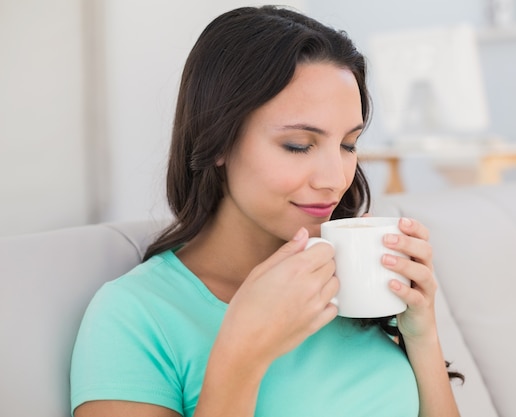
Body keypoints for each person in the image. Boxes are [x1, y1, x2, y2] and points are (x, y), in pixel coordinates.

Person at [70, 5, 462, 417]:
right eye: (298, 145)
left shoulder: (358, 282)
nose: (334, 178)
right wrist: (242, 354)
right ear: (219, 140)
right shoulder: (136, 316)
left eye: (348, 144)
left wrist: (423, 335)